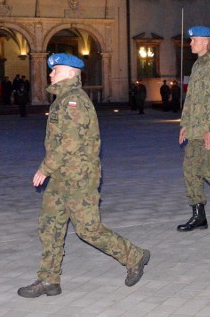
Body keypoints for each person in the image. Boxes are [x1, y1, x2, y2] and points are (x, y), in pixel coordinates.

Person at [17, 53, 149, 298]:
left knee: (88, 230)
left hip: (79, 178)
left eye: (56, 70)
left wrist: (44, 168)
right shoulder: (63, 99)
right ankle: (49, 279)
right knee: (49, 227)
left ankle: (134, 255)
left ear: (69, 73)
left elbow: (70, 143)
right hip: (61, 177)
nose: (51, 73)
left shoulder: (74, 102)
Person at [177, 26, 210, 231]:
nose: (191, 43)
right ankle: (198, 215)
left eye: (194, 40)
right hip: (196, 130)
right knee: (190, 170)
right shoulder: (198, 65)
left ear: (206, 41)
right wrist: (185, 125)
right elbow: (191, 98)